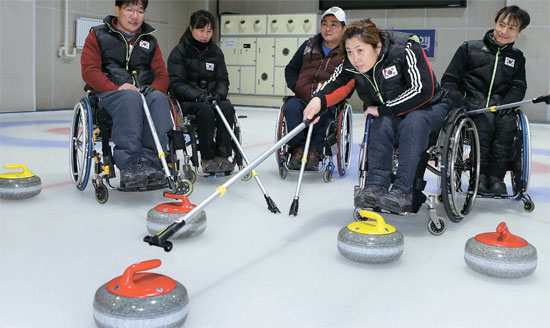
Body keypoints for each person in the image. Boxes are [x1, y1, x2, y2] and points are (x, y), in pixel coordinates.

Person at [303, 18, 452, 213]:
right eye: (349, 51)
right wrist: (318, 100)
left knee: (413, 122)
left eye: (360, 50)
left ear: (378, 46)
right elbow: (336, 81)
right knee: (381, 125)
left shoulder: (405, 47)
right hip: (393, 111)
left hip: (429, 106)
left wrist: (384, 109)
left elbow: (422, 89)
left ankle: (403, 191)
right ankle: (375, 187)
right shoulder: (352, 62)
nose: (355, 58)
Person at [81, 0, 172, 189]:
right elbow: (90, 71)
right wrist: (116, 88)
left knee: (159, 99)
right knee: (130, 98)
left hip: (143, 92)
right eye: (129, 10)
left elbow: (162, 75)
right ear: (117, 10)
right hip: (109, 94)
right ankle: (130, 165)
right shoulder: (97, 35)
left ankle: (152, 163)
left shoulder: (150, 41)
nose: (135, 16)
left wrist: (153, 88)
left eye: (140, 11)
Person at [441, 5, 530, 196]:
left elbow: (518, 86)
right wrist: (460, 103)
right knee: (484, 121)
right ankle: (479, 176)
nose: (504, 31)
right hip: (472, 104)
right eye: (501, 24)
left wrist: (508, 103)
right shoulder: (469, 48)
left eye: (511, 28)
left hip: (501, 106)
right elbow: (450, 80)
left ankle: (496, 178)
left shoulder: (517, 58)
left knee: (506, 124)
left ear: (519, 32)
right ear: (495, 23)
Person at [167, 10, 235, 174]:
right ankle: (207, 158)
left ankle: (223, 156)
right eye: (201, 30)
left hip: (212, 98)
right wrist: (199, 96)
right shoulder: (179, 52)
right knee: (205, 111)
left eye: (209, 31)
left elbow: (223, 80)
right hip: (189, 102)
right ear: (191, 28)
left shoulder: (216, 52)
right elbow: (176, 83)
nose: (205, 35)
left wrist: (218, 95)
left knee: (226, 107)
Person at [284, 6, 347, 170]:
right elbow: (290, 69)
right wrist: (297, 87)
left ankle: (314, 152)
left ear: (343, 28)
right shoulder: (308, 45)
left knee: (325, 111)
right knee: (291, 108)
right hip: (303, 96)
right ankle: (297, 150)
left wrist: (328, 97)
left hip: (327, 99)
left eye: (334, 24)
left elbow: (349, 80)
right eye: (325, 23)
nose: (328, 28)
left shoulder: (347, 51)